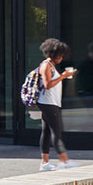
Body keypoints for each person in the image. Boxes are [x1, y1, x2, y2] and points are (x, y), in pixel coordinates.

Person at [36, 38, 76, 168]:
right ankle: (65, 161)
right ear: (54, 54)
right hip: (48, 103)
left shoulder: (51, 66)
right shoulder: (46, 65)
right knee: (56, 132)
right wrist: (63, 76)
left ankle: (45, 162)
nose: (62, 58)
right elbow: (48, 85)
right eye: (60, 55)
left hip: (51, 103)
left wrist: (64, 76)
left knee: (47, 132)